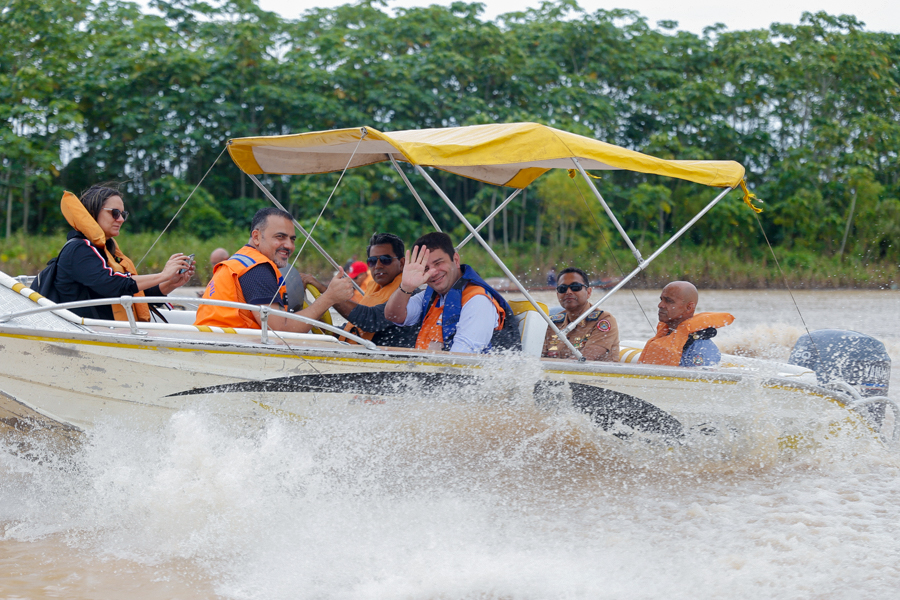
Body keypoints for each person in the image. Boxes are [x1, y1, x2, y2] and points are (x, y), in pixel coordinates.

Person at [195, 207, 353, 332]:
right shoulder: (257, 269)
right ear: (256, 237)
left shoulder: (241, 261)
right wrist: (329, 298)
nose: (289, 246)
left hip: (216, 340)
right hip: (228, 349)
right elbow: (280, 331)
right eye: (280, 237)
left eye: (292, 239)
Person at [49, 185, 194, 321]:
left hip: (108, 332)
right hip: (86, 333)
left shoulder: (107, 251)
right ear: (92, 212)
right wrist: (163, 275)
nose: (121, 219)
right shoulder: (78, 249)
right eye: (115, 213)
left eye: (123, 214)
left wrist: (171, 282)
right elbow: (113, 285)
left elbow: (137, 294)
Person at [384, 232, 520, 353]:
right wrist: (406, 287)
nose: (433, 272)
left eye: (438, 263)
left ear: (455, 260)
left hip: (464, 376)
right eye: (426, 268)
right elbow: (394, 315)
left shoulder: (478, 301)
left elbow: (461, 359)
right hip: (431, 371)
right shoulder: (432, 295)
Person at [301, 233, 417, 348]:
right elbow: (351, 330)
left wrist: (326, 292)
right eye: (372, 261)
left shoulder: (409, 295)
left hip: (390, 363)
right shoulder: (375, 290)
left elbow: (371, 320)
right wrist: (312, 319)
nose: (377, 266)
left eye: (385, 259)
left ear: (402, 263)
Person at [638, 281, 735, 367]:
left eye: (669, 301)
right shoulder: (665, 335)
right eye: (661, 300)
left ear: (689, 307)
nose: (660, 305)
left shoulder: (700, 348)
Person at [541, 267, 619, 361]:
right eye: (562, 289)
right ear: (558, 295)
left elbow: (584, 359)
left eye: (575, 287)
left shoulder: (603, 320)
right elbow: (537, 357)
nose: (568, 292)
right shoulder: (553, 324)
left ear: (588, 292)